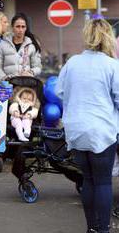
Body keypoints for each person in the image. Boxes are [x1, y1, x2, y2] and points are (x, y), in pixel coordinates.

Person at [56, 19, 119, 233]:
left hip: (76, 130)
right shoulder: (112, 65)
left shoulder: (72, 63)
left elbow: (60, 92)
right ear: (107, 37)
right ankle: (102, 229)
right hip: (101, 130)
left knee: (89, 180)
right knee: (103, 182)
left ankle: (91, 228)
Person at [0, 13, 42, 80]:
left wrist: (31, 72)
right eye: (18, 26)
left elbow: (38, 67)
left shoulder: (32, 46)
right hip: (8, 84)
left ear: (26, 28)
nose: (20, 30)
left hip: (26, 84)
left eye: (23, 27)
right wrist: (4, 78)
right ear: (12, 27)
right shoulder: (2, 45)